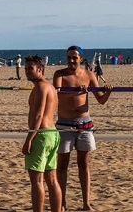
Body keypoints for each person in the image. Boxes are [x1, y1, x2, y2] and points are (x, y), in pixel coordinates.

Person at [53, 46, 113, 211]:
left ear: (81, 59)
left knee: (84, 164)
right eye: (69, 57)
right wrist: (75, 92)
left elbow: (100, 100)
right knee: (62, 165)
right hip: (65, 124)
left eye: (75, 57)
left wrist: (107, 92)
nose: (72, 60)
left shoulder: (89, 75)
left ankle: (86, 203)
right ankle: (62, 203)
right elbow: (57, 93)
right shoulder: (60, 74)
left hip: (84, 124)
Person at [22, 55, 62, 212]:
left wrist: (29, 139)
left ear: (40, 69)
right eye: (26, 69)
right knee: (52, 179)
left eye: (30, 69)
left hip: (41, 134)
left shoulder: (40, 87)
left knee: (37, 180)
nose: (27, 72)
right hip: (52, 133)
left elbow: (38, 115)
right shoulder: (50, 87)